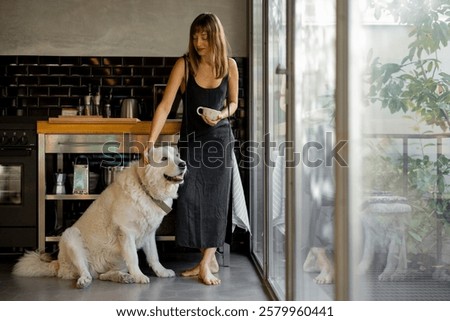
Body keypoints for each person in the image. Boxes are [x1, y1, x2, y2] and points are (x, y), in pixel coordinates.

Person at [146, 13, 239, 285]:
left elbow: (233, 104)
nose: (198, 41)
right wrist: (150, 142)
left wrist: (220, 115)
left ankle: (205, 264)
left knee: (216, 203)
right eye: (195, 36)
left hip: (219, 142)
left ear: (215, 36)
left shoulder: (230, 66)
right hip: (192, 143)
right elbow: (165, 106)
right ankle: (207, 260)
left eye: (205, 36)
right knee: (189, 200)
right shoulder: (184, 65)